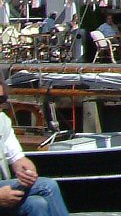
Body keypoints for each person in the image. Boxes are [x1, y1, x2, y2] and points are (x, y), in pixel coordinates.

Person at [0, 78, 71, 216]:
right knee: (47, 186)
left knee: (37, 204)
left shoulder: (2, 121)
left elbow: (18, 159)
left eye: (1, 99)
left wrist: (28, 171)